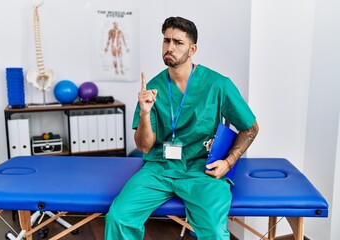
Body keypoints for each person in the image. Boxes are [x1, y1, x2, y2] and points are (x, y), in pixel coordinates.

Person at [105, 16, 259, 240]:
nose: (170, 47)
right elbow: (144, 146)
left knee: (215, 232)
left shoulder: (218, 84)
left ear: (192, 49)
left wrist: (228, 162)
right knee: (118, 218)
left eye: (178, 42)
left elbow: (251, 127)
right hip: (160, 167)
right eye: (166, 41)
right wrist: (145, 113)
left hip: (202, 169)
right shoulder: (153, 88)